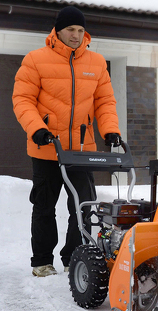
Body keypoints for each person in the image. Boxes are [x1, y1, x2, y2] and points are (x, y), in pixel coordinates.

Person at [12, 6, 122, 277]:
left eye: (80, 30)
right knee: (44, 207)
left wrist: (110, 130)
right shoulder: (36, 59)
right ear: (58, 30)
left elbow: (105, 101)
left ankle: (75, 257)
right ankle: (42, 261)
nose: (76, 35)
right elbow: (22, 99)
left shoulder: (96, 62)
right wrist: (37, 128)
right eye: (71, 29)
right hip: (47, 147)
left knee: (83, 207)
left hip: (82, 151)